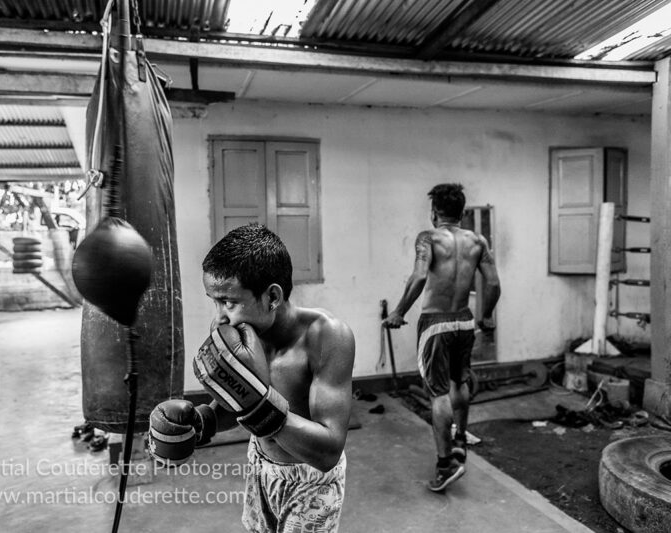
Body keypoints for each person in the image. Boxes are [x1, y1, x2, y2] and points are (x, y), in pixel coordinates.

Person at [148, 223, 355, 532]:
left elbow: (327, 451)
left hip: (312, 483)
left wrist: (260, 407)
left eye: (229, 302)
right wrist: (204, 422)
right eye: (215, 301)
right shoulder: (233, 335)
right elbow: (238, 405)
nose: (219, 316)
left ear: (272, 296)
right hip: (260, 467)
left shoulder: (327, 337)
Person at [383, 183, 501, 492]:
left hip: (436, 323)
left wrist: (398, 312)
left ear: (434, 213)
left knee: (438, 394)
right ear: (462, 212)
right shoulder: (478, 240)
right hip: (464, 321)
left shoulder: (428, 238)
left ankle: (445, 463)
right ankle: (460, 439)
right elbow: (494, 283)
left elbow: (420, 276)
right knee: (459, 383)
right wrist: (486, 315)